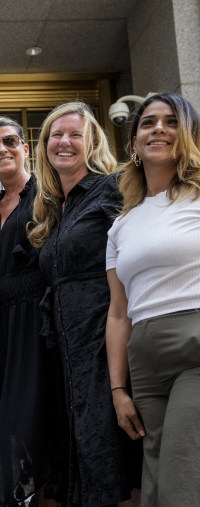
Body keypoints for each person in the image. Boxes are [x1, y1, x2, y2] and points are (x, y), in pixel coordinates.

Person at [28, 101, 141, 507]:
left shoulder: (114, 188)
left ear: (92, 141)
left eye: (75, 134)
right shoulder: (55, 208)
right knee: (85, 457)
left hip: (104, 341)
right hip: (66, 350)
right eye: (56, 135)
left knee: (117, 456)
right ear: (44, 147)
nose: (64, 142)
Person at [106, 92, 200, 507]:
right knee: (156, 476)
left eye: (171, 121)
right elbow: (118, 311)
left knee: (183, 473)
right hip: (143, 358)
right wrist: (117, 388)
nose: (158, 128)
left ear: (189, 136)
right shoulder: (122, 224)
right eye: (148, 122)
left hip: (193, 342)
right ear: (134, 144)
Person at [0, 117, 68, 506]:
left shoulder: (49, 195)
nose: (2, 149)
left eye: (10, 141)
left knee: (43, 425)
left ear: (26, 147)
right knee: (18, 430)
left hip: (42, 324)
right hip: (5, 330)